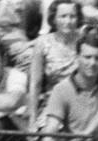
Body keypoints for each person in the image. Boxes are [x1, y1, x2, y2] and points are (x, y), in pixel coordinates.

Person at [27, 0, 81, 129]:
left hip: (81, 102)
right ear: (54, 19)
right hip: (53, 102)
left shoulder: (83, 40)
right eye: (63, 16)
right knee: (49, 133)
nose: (68, 21)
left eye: (72, 16)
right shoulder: (43, 43)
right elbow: (35, 83)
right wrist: (32, 118)